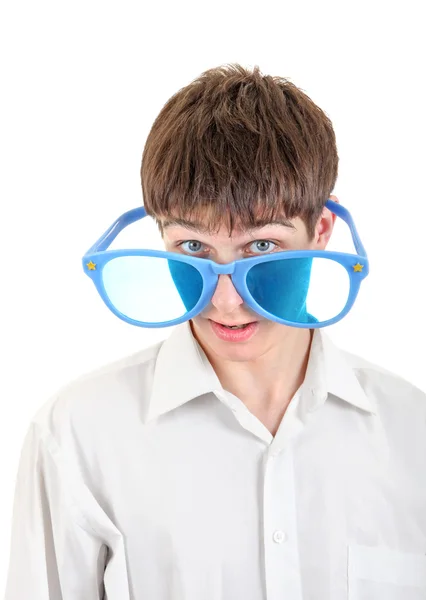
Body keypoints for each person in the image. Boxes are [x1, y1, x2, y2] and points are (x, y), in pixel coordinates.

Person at [4, 64, 426, 600]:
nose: (225, 302)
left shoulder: (415, 436)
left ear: (321, 231)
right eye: (193, 248)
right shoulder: (77, 437)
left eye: (262, 247)